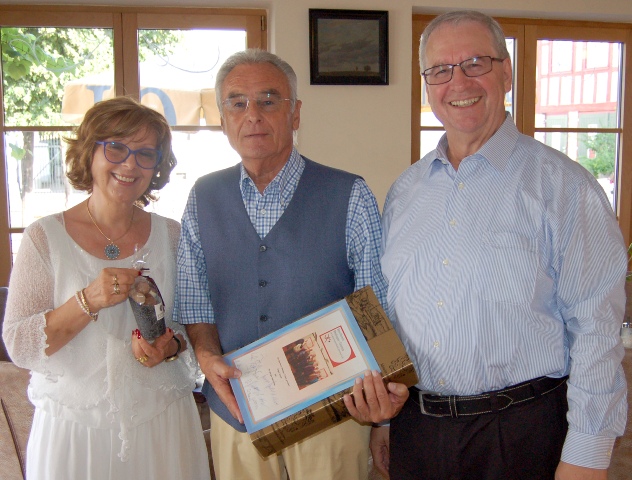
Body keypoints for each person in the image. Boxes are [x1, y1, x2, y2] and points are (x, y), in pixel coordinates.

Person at [375, 10, 628, 480]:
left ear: (507, 73)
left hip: (519, 436)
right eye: (440, 69)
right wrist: (384, 422)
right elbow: (393, 314)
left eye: (475, 63)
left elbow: (596, 329)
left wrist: (587, 455)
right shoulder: (404, 193)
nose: (458, 82)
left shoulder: (564, 187)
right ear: (427, 85)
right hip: (417, 431)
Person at [175, 48, 390, 480]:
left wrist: (383, 420)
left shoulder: (350, 194)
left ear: (295, 113)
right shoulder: (203, 198)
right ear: (223, 119)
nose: (252, 115)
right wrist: (207, 356)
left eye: (269, 100)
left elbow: (378, 311)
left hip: (334, 415)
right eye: (238, 103)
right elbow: (196, 305)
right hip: (238, 412)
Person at [2, 96, 210, 479]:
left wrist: (169, 347)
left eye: (145, 154)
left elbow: (190, 327)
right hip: (75, 430)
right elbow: (20, 345)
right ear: (89, 152)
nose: (130, 164)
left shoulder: (172, 235)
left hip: (162, 423)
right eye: (116, 147)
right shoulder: (44, 238)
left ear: (157, 166)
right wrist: (88, 300)